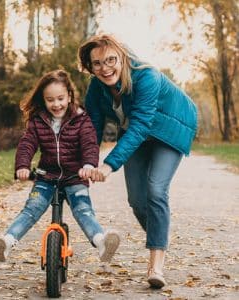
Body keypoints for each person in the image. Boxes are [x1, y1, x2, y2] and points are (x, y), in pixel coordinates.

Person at [77, 34, 198, 288]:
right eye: (97, 63)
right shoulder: (96, 87)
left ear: (122, 57)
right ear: (90, 66)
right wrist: (87, 161)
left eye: (111, 60)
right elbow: (93, 127)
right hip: (135, 132)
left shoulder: (147, 76)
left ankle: (156, 264)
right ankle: (159, 237)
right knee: (136, 200)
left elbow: (142, 124)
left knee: (156, 189)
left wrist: (108, 165)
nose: (105, 68)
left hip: (169, 129)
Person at [0, 69, 120, 263]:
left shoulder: (81, 119)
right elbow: (27, 144)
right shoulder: (38, 121)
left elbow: (90, 144)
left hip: (76, 176)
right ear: (43, 100)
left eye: (60, 98)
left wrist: (88, 165)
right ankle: (7, 242)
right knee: (31, 209)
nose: (56, 104)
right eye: (50, 100)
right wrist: (22, 166)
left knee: (83, 209)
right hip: (46, 176)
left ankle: (101, 242)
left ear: (69, 96)